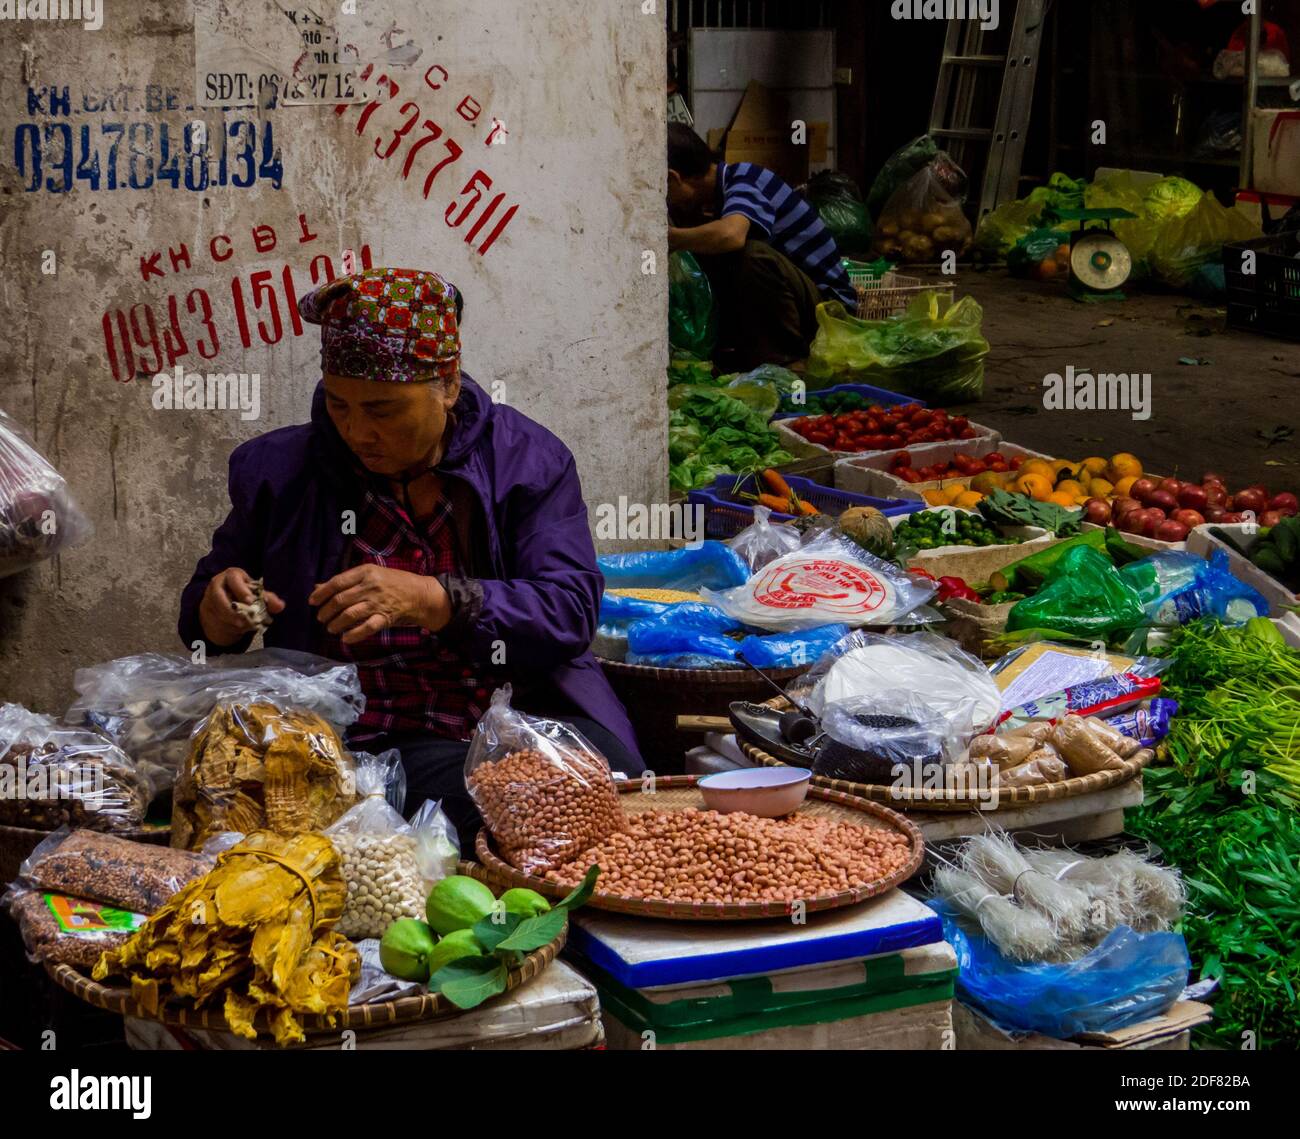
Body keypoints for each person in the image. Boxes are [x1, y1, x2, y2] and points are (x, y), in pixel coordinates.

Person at [178, 267, 645, 846]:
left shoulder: (527, 463)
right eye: (339, 405)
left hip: (508, 715)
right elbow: (204, 631)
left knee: (611, 781)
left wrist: (437, 599)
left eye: (382, 410)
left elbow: (569, 611)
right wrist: (216, 609)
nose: (357, 432)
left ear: (447, 386)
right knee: (502, 808)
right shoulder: (281, 472)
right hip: (356, 733)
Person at [667, 123, 857, 371]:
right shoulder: (712, 199)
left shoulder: (746, 178)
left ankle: (789, 364)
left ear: (673, 178)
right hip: (797, 307)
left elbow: (732, 236)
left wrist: (668, 239)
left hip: (831, 315)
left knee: (752, 255)